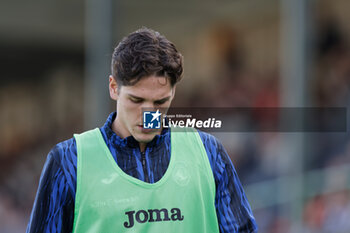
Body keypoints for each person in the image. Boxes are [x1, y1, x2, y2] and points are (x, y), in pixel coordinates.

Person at [26, 27, 257, 233]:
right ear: (114, 87)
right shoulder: (68, 160)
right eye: (136, 100)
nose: (149, 116)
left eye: (159, 103)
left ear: (173, 93)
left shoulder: (209, 153)